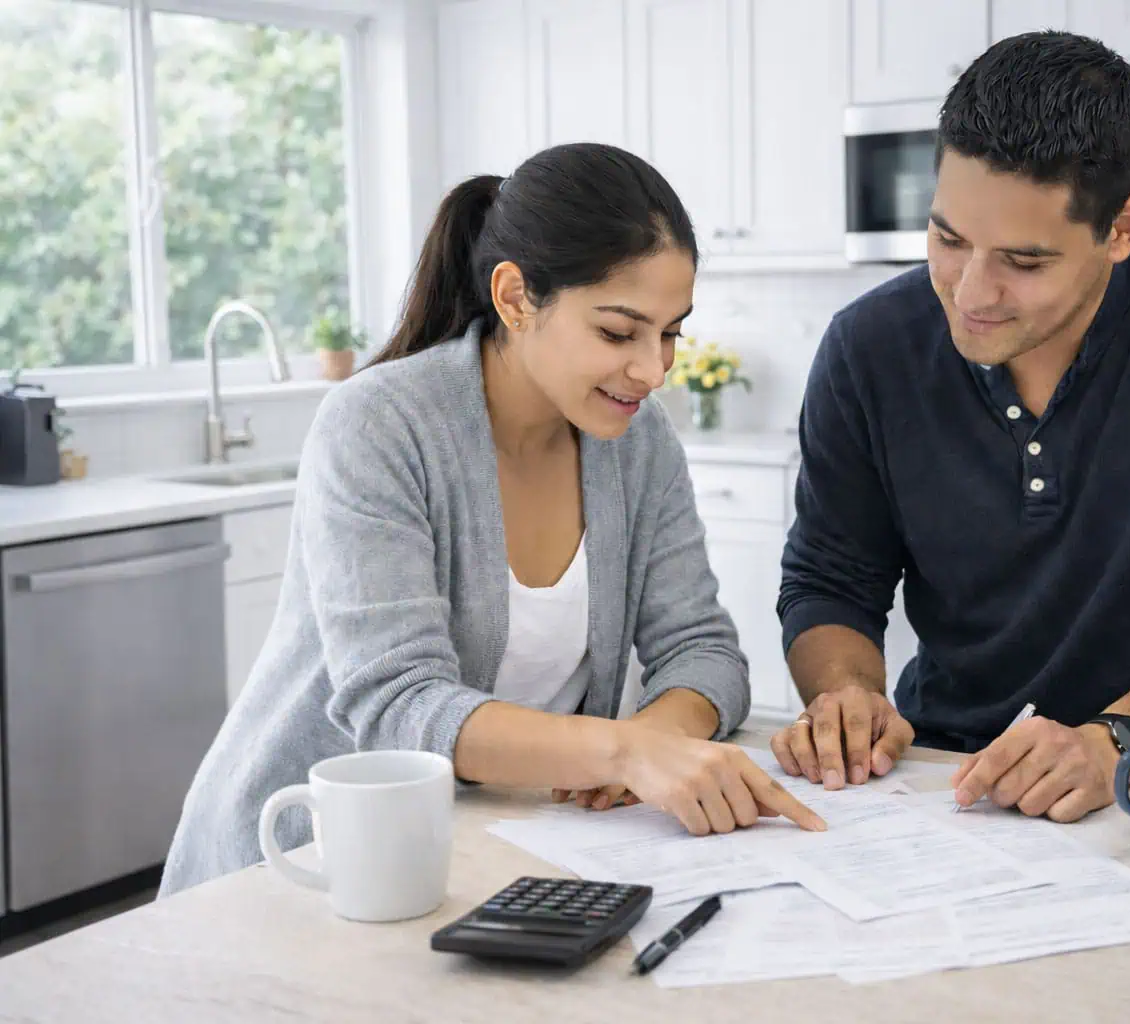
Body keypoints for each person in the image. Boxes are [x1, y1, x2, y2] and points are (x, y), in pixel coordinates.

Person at [161, 143, 823, 897]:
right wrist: (620, 755)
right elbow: (399, 705)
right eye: (618, 332)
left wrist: (647, 746)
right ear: (514, 299)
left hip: (492, 852)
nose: (653, 369)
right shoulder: (378, 423)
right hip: (302, 864)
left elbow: (703, 653)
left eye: (670, 332)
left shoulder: (639, 442)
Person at [770, 31, 1130, 823]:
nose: (970, 291)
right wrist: (847, 695)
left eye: (1024, 262)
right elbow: (831, 581)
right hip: (953, 785)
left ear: (1124, 227)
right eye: (948, 238)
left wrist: (1116, 740)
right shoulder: (868, 346)